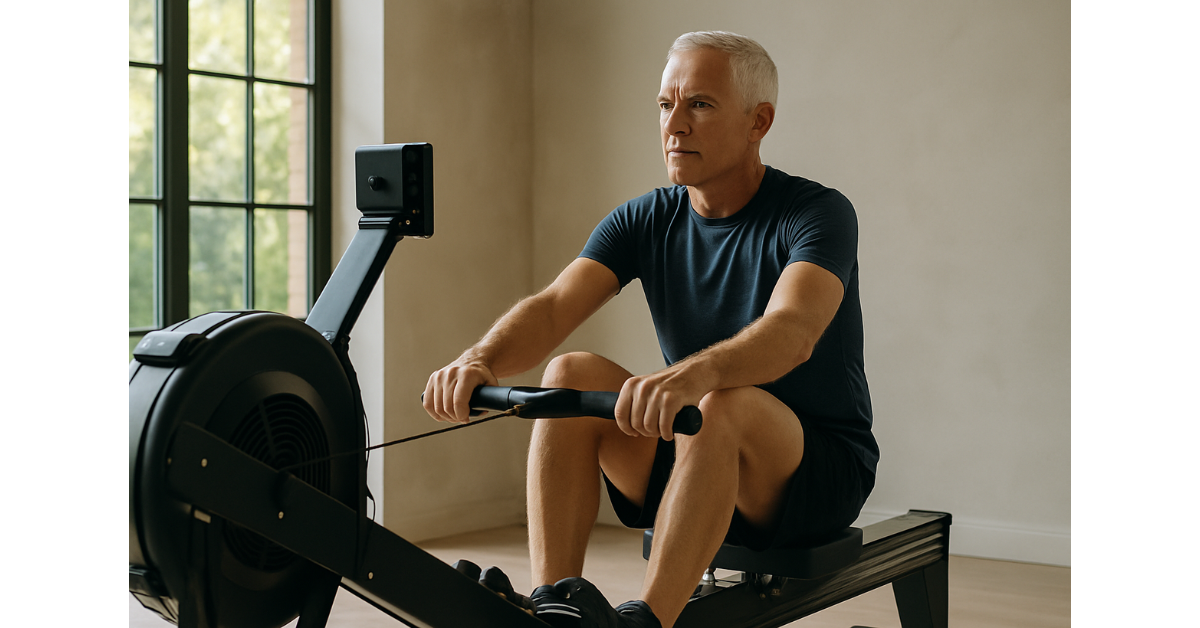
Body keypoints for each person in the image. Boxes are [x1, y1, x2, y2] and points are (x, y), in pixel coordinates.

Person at [423, 30, 878, 628]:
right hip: (696, 446)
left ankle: (648, 623)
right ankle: (553, 605)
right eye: (666, 105)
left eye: (701, 104)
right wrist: (480, 360)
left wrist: (696, 374)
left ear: (758, 121)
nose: (675, 125)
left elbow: (793, 329)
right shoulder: (647, 217)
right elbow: (556, 305)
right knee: (570, 374)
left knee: (723, 403)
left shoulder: (816, 212)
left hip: (811, 471)